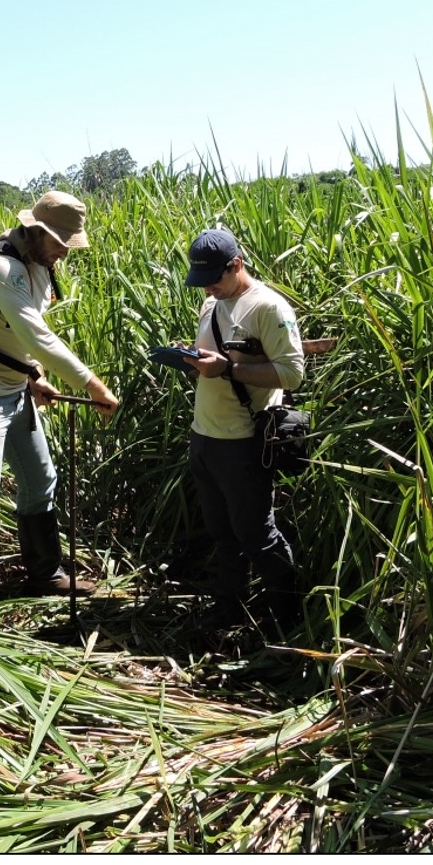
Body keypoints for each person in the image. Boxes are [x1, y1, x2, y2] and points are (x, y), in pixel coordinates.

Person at [0, 191, 119, 613]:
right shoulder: (1, 268)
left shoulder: (38, 265)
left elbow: (18, 336)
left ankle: (44, 573)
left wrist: (34, 376)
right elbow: (38, 337)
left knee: (41, 479)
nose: (64, 252)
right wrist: (94, 385)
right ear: (37, 231)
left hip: (16, 391)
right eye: (60, 242)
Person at [179, 228, 305, 631]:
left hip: (243, 442)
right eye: (203, 283)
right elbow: (213, 357)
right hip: (205, 436)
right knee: (222, 533)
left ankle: (288, 622)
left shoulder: (268, 308)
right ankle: (230, 608)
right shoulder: (210, 304)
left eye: (215, 279)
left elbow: (292, 373)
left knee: (258, 537)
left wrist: (229, 368)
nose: (210, 289)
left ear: (237, 264)